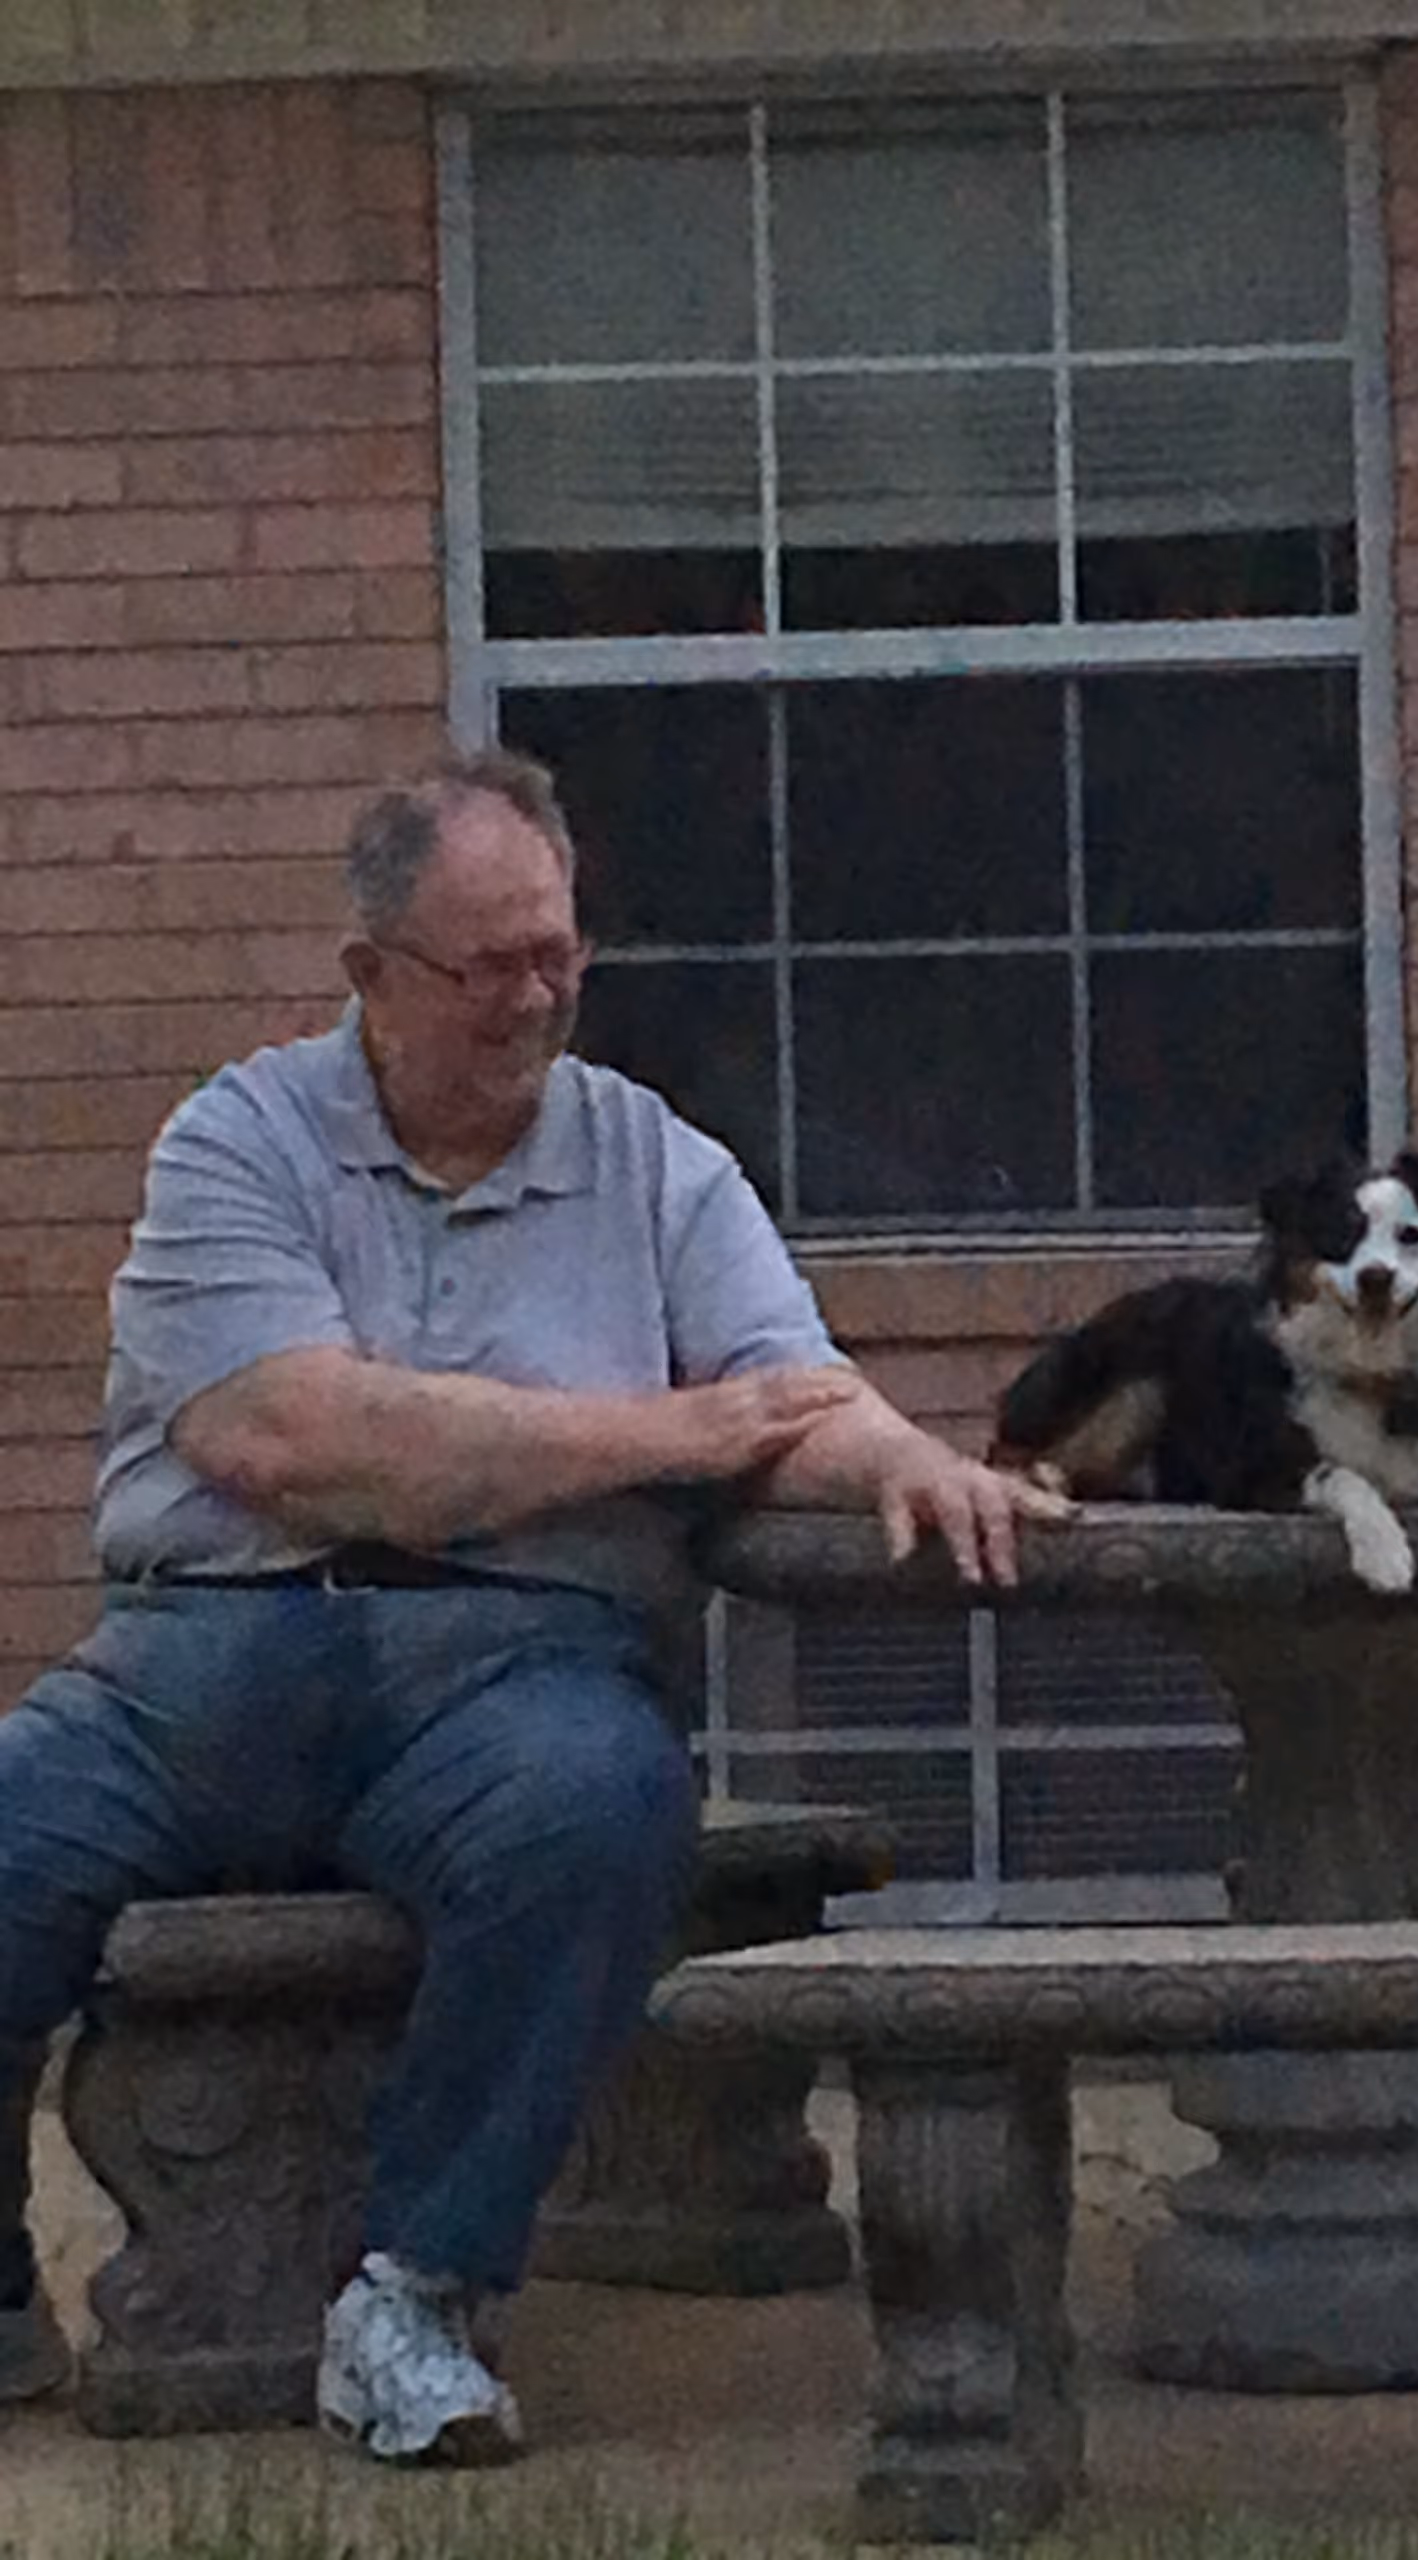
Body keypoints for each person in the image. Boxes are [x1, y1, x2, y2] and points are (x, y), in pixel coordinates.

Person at [0, 749, 1066, 2464]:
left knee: (601, 1807)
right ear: (371, 972)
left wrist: (907, 1463)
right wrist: (665, 1433)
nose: (533, 999)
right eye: (484, 965)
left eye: (557, 954)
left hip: (513, 1670)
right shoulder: (238, 1140)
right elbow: (292, 1437)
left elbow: (789, 1388)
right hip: (209, 1659)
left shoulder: (657, 1164)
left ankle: (413, 2301)